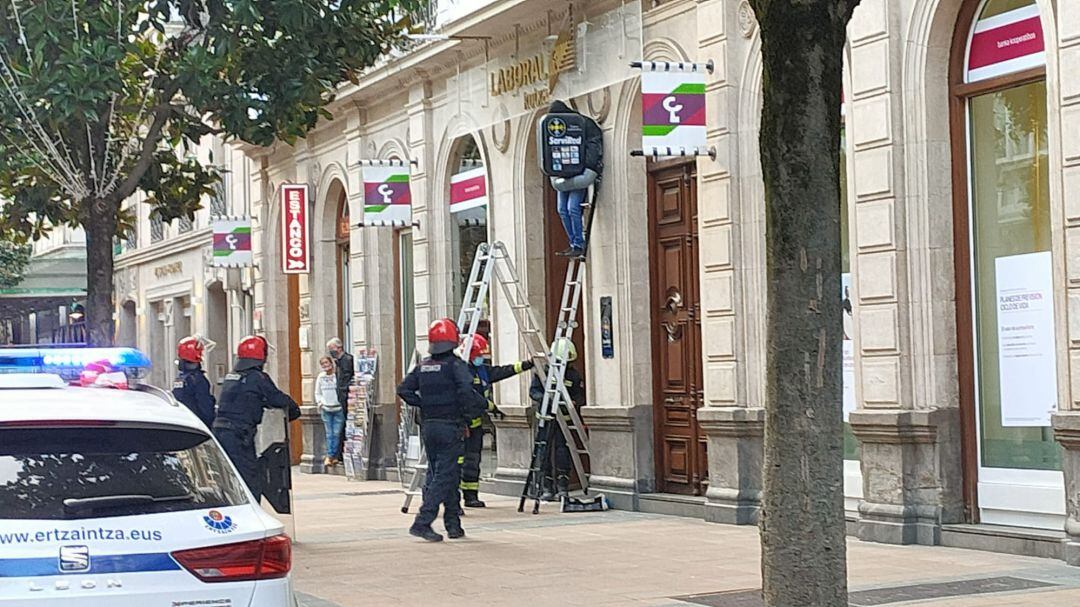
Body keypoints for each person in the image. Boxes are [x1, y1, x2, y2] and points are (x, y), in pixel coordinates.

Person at [397, 319, 487, 542]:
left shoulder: (424, 366)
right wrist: (471, 414)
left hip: (429, 426)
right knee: (444, 475)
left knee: (446, 473)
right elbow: (467, 393)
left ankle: (453, 524)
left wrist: (423, 404)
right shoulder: (455, 366)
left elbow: (403, 389)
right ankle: (422, 521)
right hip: (450, 427)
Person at [213, 335, 301, 500]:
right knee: (250, 482)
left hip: (221, 433)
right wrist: (293, 411)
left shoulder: (231, 377)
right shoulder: (257, 378)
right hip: (239, 437)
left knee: (230, 481)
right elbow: (279, 399)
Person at [462, 334, 534, 508]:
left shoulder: (481, 370)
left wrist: (525, 365)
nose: (482, 358)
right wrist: (491, 406)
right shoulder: (461, 372)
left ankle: (471, 496)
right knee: (458, 463)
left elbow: (501, 371)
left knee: (473, 461)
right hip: (461, 426)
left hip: (476, 425)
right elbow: (470, 398)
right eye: (479, 355)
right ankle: (453, 500)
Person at [529, 337, 585, 501]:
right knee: (543, 452)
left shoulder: (573, 375)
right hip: (545, 418)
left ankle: (562, 487)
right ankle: (547, 487)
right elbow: (534, 392)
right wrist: (546, 398)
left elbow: (579, 395)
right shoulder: (543, 371)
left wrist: (574, 402)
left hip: (564, 421)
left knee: (562, 452)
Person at [547, 100, 602, 260]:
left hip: (578, 172)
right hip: (565, 172)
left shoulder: (582, 123)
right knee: (562, 209)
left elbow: (592, 144)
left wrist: (587, 165)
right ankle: (573, 243)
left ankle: (578, 243)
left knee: (572, 208)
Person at [172, 336, 216, 428]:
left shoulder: (180, 379)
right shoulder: (198, 380)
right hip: (198, 425)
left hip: (182, 423)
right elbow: (206, 408)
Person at [327, 338, 354, 460]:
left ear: (339, 347)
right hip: (341, 397)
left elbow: (347, 378)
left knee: (343, 425)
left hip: (346, 397)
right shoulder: (338, 361)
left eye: (332, 348)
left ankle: (340, 454)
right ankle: (339, 454)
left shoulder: (347, 360)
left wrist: (344, 391)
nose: (331, 351)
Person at [315, 356, 345, 469]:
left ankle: (332, 455)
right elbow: (317, 392)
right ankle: (331, 456)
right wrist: (320, 403)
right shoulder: (321, 377)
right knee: (329, 434)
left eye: (327, 363)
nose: (325, 366)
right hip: (326, 408)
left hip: (337, 408)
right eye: (323, 364)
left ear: (331, 363)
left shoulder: (337, 376)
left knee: (336, 433)